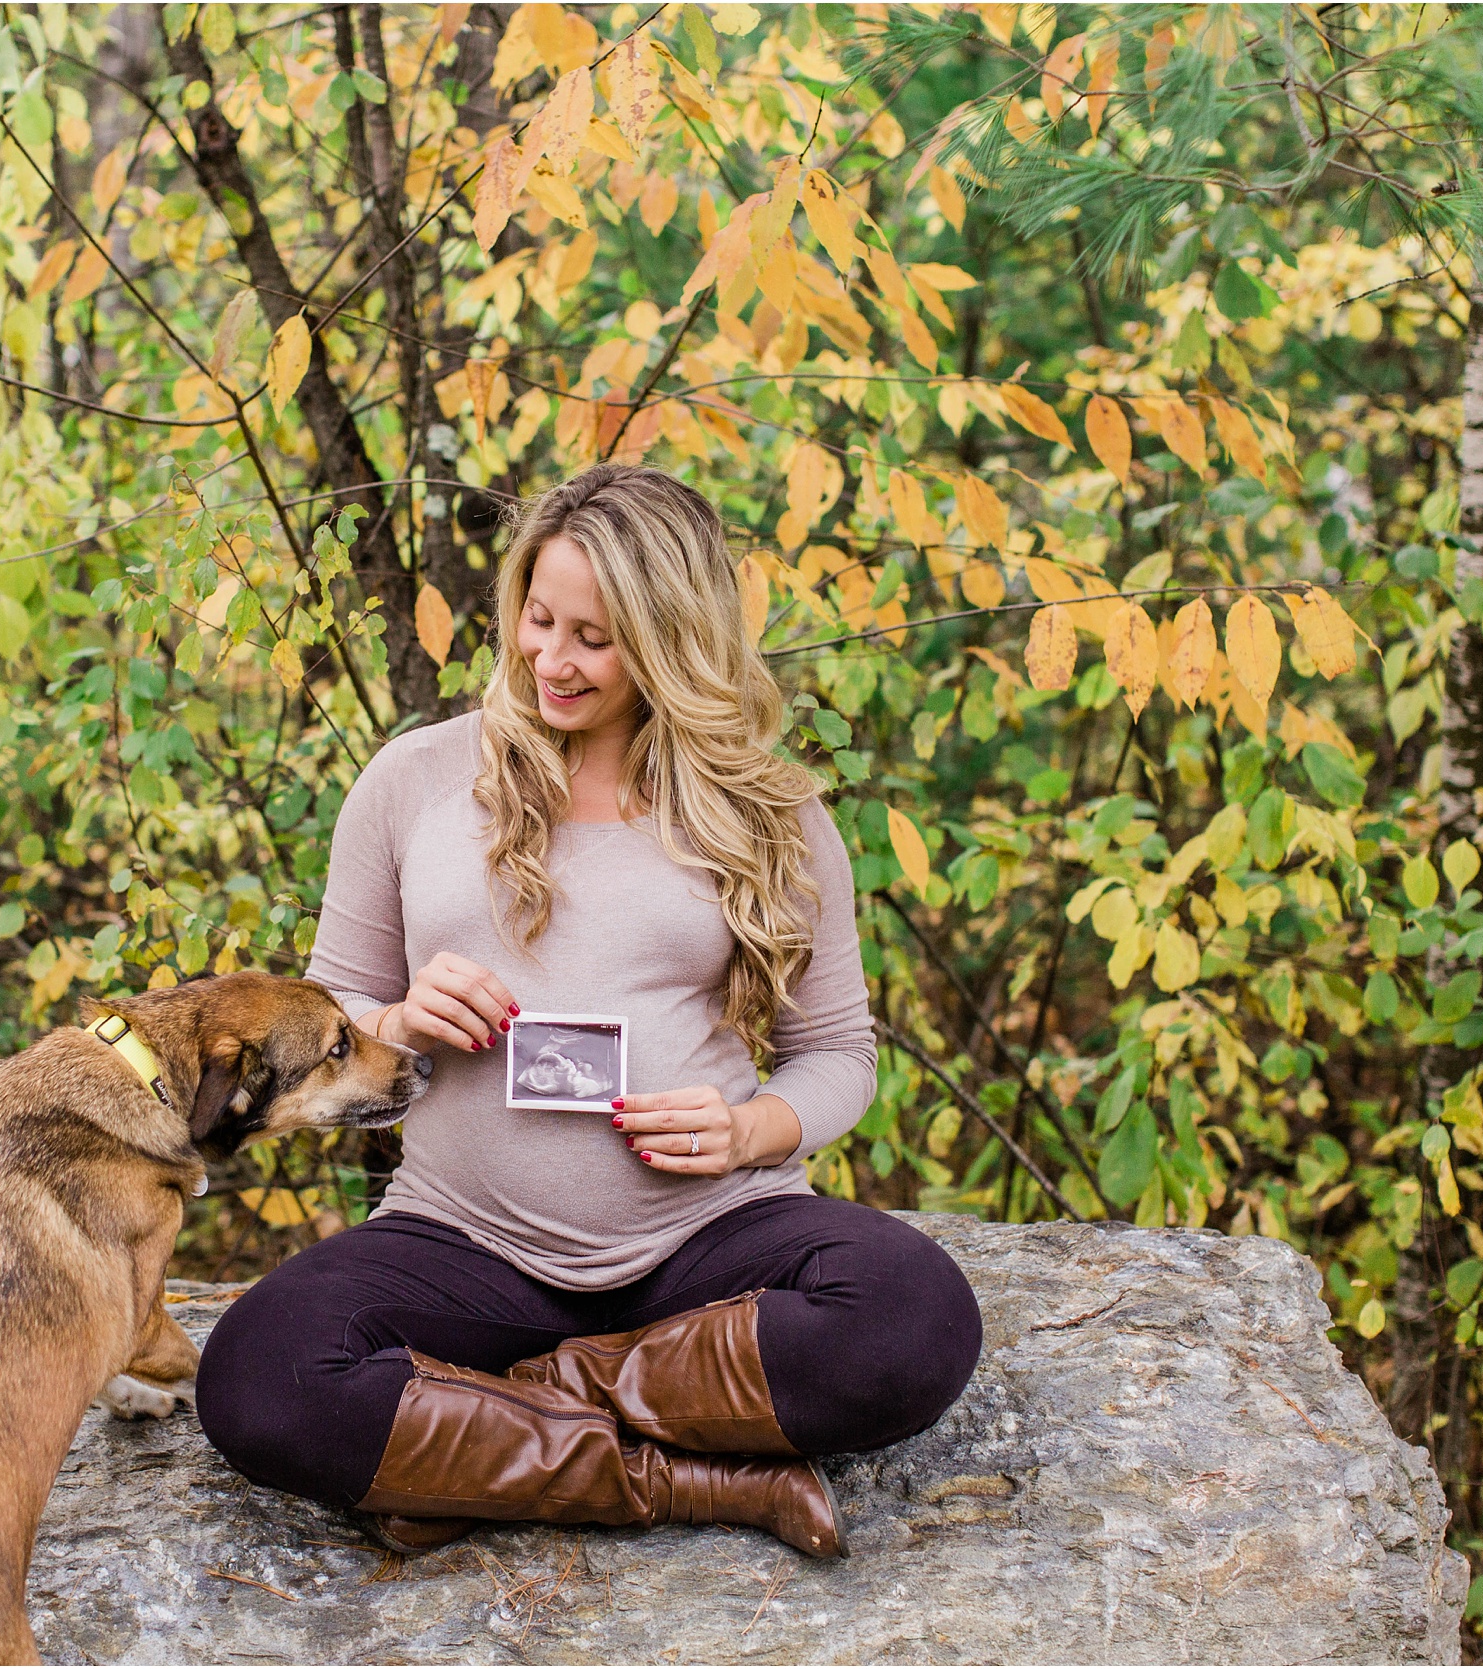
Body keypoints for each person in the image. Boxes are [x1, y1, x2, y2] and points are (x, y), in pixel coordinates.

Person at [196, 464, 982, 1559]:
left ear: (671, 640)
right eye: (538, 616)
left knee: (914, 1319)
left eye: (596, 638)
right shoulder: (414, 779)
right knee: (256, 1378)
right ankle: (685, 1477)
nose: (550, 660)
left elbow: (838, 1053)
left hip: (705, 1242)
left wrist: (749, 1128)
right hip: (461, 1241)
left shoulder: (775, 813)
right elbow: (331, 1013)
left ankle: (497, 1413)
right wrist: (406, 1019)